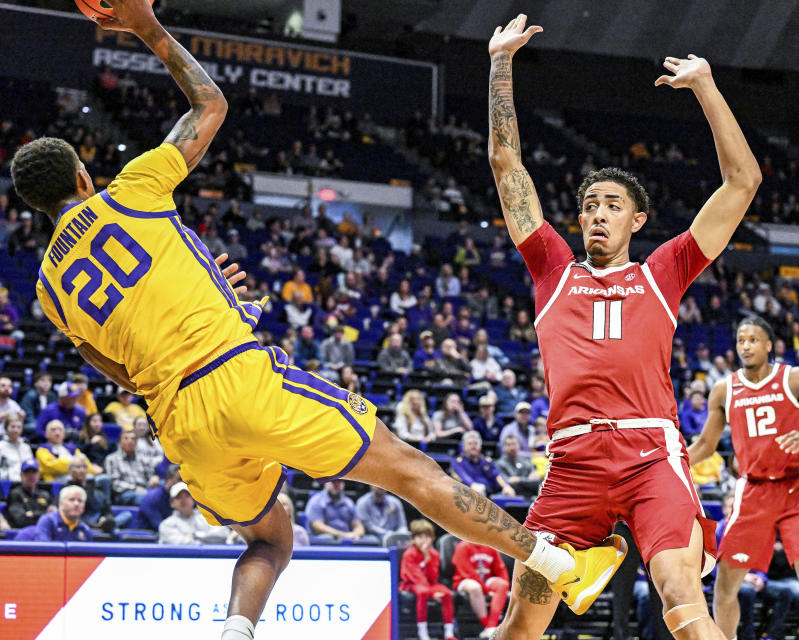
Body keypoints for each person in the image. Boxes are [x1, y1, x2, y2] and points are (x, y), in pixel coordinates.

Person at [15, 4, 620, 637]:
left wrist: (213, 308)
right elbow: (209, 105)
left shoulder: (49, 288)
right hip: (238, 379)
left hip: (180, 423)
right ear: (86, 176)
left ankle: (235, 632)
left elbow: (109, 362)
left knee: (271, 538)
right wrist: (144, 26)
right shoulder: (130, 190)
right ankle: (562, 565)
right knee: (413, 473)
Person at [488, 12, 760, 631]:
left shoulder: (663, 272)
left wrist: (707, 86)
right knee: (520, 626)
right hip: (572, 464)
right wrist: (501, 64)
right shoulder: (553, 268)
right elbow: (507, 165)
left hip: (650, 454)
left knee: (681, 600)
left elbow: (743, 182)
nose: (597, 215)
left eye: (613, 205)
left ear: (637, 220)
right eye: (589, 206)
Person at [689, 317, 799, 640]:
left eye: (753, 340)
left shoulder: (794, 378)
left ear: (769, 345)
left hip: (794, 487)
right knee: (725, 586)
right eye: (741, 340)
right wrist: (673, 461)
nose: (746, 346)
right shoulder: (724, 388)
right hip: (752, 490)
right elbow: (706, 445)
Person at [401, 519, 458, 640]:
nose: (424, 540)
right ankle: (422, 632)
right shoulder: (409, 554)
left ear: (432, 539)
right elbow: (414, 577)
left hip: (430, 584)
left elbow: (433, 577)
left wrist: (427, 559)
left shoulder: (434, 554)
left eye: (427, 537)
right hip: (411, 584)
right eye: (420, 537)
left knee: (446, 593)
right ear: (413, 539)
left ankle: (449, 633)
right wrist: (432, 593)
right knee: (423, 592)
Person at [452, 539, 511, 638]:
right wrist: (487, 591)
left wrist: (506, 588)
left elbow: (501, 569)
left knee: (502, 584)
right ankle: (487, 626)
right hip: (464, 579)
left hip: (485, 579)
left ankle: (491, 626)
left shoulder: (490, 546)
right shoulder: (462, 546)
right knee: (475, 587)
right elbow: (468, 573)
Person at [304, 479, 377, 543]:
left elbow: (358, 526)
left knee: (372, 539)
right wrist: (343, 535)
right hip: (327, 538)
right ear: (325, 483)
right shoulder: (316, 501)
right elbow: (318, 527)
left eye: (339, 482)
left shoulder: (349, 502)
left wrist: (356, 534)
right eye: (333, 482)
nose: (336, 485)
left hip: (347, 538)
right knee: (327, 538)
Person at [159, 481, 232, 544]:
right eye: (178, 497)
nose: (183, 500)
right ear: (172, 503)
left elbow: (223, 533)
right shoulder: (166, 524)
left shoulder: (205, 518)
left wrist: (195, 535)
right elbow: (180, 545)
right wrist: (208, 540)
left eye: (187, 496)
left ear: (194, 500)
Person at [450, 431, 515, 497]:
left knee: (508, 492)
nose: (473, 446)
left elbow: (497, 475)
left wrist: (506, 486)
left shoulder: (486, 461)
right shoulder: (458, 463)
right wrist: (472, 485)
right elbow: (463, 477)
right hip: (468, 495)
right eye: (470, 444)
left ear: (480, 446)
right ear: (464, 446)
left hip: (489, 494)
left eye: (475, 444)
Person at [66, 453, 121, 533]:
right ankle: (107, 527)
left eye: (84, 467)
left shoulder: (96, 488)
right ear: (70, 470)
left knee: (127, 515)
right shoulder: (68, 490)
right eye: (78, 467)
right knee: (115, 530)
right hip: (85, 522)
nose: (82, 470)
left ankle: (107, 526)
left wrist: (106, 518)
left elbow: (107, 510)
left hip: (100, 519)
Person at [105, 430, 157, 505]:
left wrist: (154, 478)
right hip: (124, 493)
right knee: (145, 498)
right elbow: (114, 483)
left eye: (133, 439)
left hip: (145, 489)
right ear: (120, 442)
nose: (130, 441)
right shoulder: (111, 459)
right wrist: (134, 488)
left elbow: (151, 475)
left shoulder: (142, 458)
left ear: (136, 442)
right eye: (126, 438)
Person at [6, 459, 54, 528]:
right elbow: (20, 520)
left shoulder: (45, 494)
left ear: (39, 475)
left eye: (34, 472)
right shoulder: (15, 494)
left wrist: (33, 514)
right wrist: (44, 514)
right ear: (21, 475)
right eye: (27, 472)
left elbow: (53, 517)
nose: (31, 475)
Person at [135, 464, 180, 530]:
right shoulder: (151, 498)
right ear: (168, 478)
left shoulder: (185, 497)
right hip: (150, 537)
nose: (184, 483)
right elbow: (161, 527)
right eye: (180, 479)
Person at [0, 414, 34, 481]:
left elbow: (31, 466)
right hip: (6, 484)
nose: (16, 430)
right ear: (6, 428)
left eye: (19, 427)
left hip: (25, 483)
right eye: (13, 427)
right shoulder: (1, 446)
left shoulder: (26, 447)